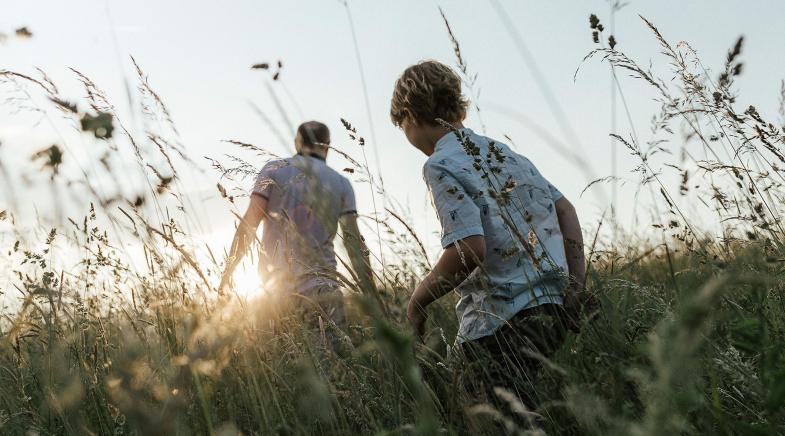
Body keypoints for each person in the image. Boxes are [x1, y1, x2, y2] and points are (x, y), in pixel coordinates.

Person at [388, 60, 588, 407]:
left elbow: (470, 249)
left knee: (479, 414)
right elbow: (566, 210)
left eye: (402, 126)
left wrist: (417, 301)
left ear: (410, 115)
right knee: (528, 412)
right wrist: (575, 287)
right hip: (552, 309)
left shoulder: (440, 163)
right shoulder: (504, 153)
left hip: (499, 323)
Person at [219, 121, 374, 349]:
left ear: (296, 142)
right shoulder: (342, 183)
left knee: (281, 372)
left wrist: (228, 272)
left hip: (275, 292)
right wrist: (370, 291)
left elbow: (248, 224)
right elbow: (353, 242)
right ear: (327, 146)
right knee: (332, 372)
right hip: (324, 291)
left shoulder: (273, 170)